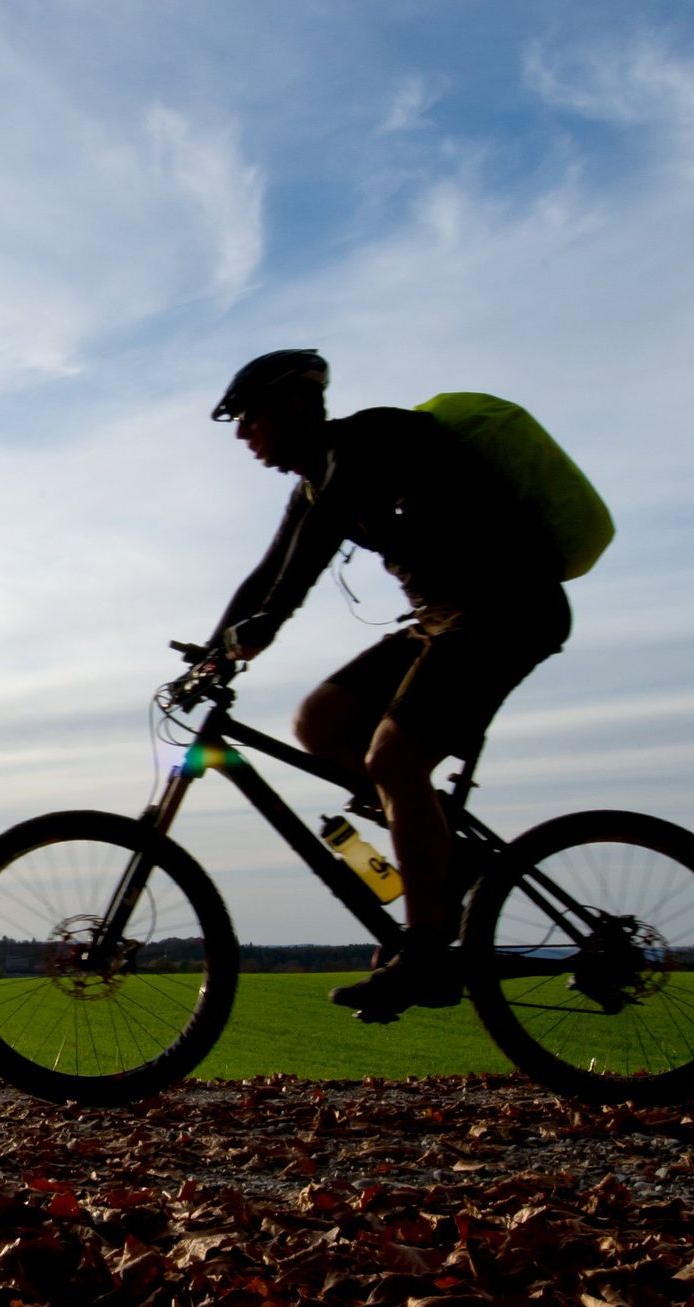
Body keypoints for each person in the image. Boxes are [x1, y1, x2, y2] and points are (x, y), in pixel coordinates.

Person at [207, 349, 569, 1017]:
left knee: (395, 758)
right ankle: (449, 861)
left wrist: (266, 625)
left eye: (249, 417)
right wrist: (210, 654)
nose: (241, 434)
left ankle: (424, 952)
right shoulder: (310, 487)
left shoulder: (367, 441)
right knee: (319, 721)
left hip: (508, 607)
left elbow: (313, 548)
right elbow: (267, 573)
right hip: (439, 620)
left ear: (292, 404)